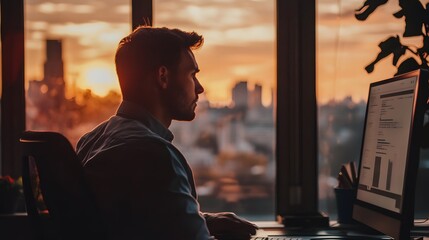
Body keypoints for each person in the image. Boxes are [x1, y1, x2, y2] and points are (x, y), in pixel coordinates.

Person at [76, 26, 258, 240]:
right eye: (192, 74)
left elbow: (132, 219)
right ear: (163, 76)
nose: (199, 88)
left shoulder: (90, 141)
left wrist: (202, 220)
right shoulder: (155, 156)